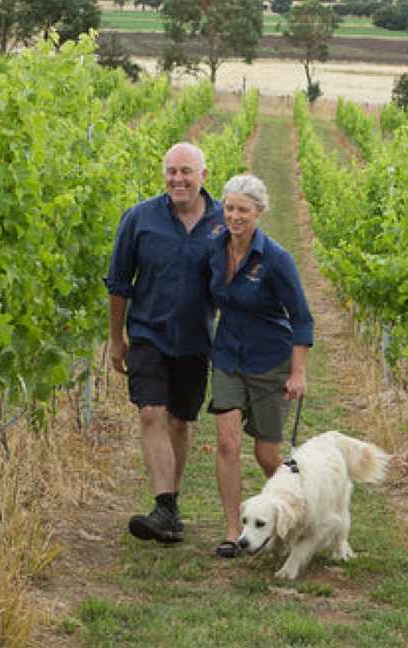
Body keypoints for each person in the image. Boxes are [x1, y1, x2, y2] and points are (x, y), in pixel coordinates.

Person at [105, 142, 225, 544]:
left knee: (180, 421)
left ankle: (170, 508)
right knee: (150, 414)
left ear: (203, 176)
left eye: (186, 171)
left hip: (195, 339)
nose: (178, 179)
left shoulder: (225, 222)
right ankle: (164, 506)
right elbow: (119, 282)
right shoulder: (139, 218)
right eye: (171, 171)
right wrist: (115, 338)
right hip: (147, 334)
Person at [207, 174, 314, 559]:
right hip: (228, 358)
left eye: (243, 210)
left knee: (267, 455)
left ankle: (291, 521)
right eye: (229, 208)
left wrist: (298, 372)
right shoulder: (213, 249)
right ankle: (234, 531)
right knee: (226, 442)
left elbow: (301, 317)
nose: (234, 216)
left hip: (271, 361)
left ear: (259, 213)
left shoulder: (276, 259)